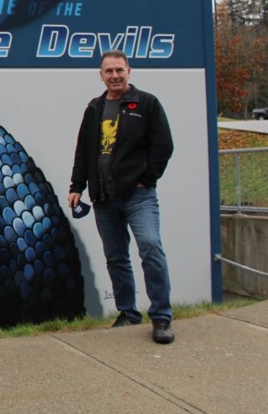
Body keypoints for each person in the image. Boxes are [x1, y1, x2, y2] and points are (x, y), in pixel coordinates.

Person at [68, 49, 175, 344]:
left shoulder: (147, 104)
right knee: (116, 258)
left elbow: (163, 146)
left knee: (151, 247)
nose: (114, 76)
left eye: (119, 70)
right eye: (109, 71)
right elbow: (83, 151)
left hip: (137, 197)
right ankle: (128, 313)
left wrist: (146, 179)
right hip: (103, 198)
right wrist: (76, 186)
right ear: (101, 76)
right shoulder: (94, 109)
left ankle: (162, 317)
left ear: (129, 71)